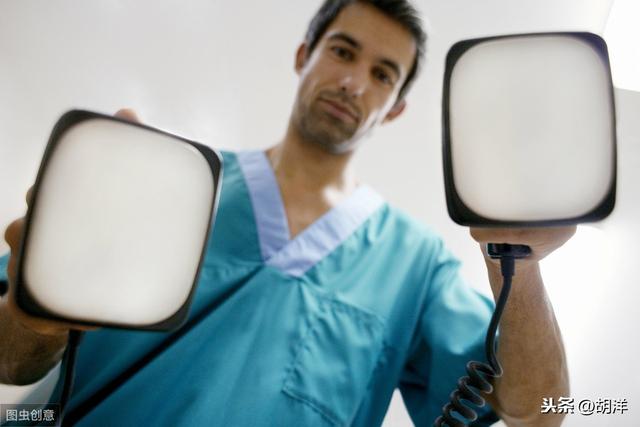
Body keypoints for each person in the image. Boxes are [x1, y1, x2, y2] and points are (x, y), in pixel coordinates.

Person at [0, 1, 574, 426]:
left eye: (382, 74)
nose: (353, 83)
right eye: (343, 51)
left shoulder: (416, 265)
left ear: (396, 109)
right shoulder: (165, 179)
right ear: (304, 56)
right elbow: (9, 361)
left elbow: (542, 412)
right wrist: (36, 317)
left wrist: (517, 259)